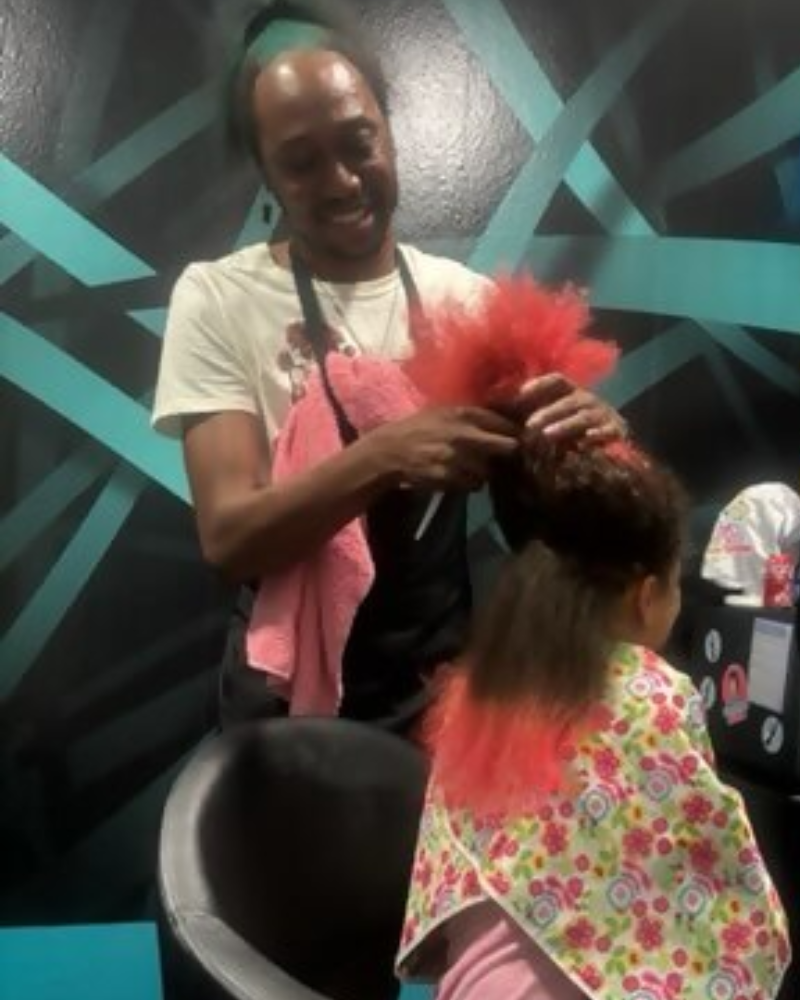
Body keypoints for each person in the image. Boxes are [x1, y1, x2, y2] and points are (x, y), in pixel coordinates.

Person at [151, 0, 623, 731]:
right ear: (267, 177)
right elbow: (230, 538)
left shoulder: (466, 301)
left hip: (439, 691)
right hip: (286, 700)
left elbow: (546, 525)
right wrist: (384, 456)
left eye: (357, 143)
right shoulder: (215, 298)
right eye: (301, 163)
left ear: (390, 131)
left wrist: (594, 439)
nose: (340, 182)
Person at [397, 443, 791, 1000]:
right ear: (646, 595)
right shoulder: (653, 692)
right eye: (677, 584)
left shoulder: (481, 689)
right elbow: (709, 881)